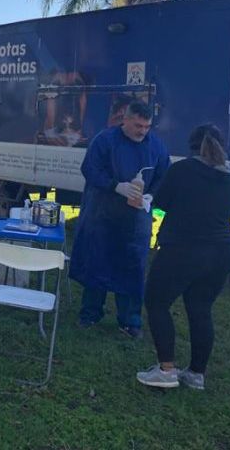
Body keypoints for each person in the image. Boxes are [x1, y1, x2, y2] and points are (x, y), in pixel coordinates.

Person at [136, 124, 230, 390]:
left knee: (157, 302)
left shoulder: (182, 170)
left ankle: (166, 370)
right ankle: (196, 374)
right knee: (201, 309)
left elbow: (161, 202)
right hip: (222, 251)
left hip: (184, 248)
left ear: (191, 145)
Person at [69, 100, 170, 338]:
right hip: (102, 213)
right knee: (98, 261)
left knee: (132, 266)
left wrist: (150, 196)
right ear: (125, 119)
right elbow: (90, 170)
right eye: (137, 125)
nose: (142, 131)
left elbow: (164, 174)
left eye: (147, 127)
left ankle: (130, 320)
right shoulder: (105, 141)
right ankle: (90, 313)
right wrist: (116, 186)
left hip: (135, 221)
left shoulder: (155, 146)